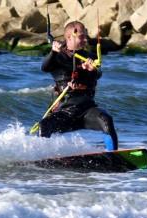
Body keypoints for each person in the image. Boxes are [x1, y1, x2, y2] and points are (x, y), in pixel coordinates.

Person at [39, 21, 118, 151]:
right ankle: (42, 157)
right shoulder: (58, 57)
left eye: (85, 36)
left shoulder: (90, 57)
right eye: (82, 36)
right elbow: (45, 67)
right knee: (44, 125)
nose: (85, 39)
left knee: (106, 119)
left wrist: (91, 70)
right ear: (69, 37)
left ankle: (114, 155)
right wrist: (53, 52)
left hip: (87, 110)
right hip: (65, 111)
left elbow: (98, 75)